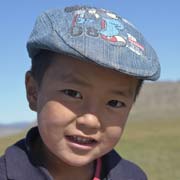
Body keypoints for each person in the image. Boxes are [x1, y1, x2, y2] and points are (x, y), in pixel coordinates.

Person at [0, 5, 160, 180]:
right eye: (72, 93)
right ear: (33, 92)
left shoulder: (132, 177)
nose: (90, 121)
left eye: (114, 103)